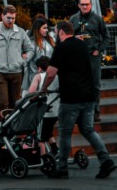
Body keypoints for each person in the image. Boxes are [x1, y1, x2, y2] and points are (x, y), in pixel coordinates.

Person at [41, 20, 116, 179]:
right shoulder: (82, 45)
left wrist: (43, 89)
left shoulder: (61, 47)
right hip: (88, 96)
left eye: (55, 31)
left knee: (65, 131)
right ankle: (106, 160)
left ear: (61, 32)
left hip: (71, 97)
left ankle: (62, 168)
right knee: (88, 129)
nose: (55, 34)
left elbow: (51, 72)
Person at [0, 5, 33, 121]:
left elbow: (30, 49)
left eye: (13, 18)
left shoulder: (20, 32)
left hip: (17, 71)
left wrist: (23, 61)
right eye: (8, 18)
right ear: (2, 16)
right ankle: (2, 128)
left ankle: (13, 127)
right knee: (2, 102)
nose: (11, 21)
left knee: (15, 102)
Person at [69, 0, 107, 121]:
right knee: (78, 85)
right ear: (78, 5)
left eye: (87, 4)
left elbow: (106, 37)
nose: (85, 7)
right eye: (82, 4)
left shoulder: (97, 19)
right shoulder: (73, 19)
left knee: (95, 85)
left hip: (93, 56)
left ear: (91, 5)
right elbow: (66, 37)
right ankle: (79, 114)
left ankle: (95, 112)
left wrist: (99, 50)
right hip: (77, 58)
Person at [26, 55, 58, 159]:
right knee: (47, 132)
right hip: (57, 110)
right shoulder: (56, 75)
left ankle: (43, 158)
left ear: (39, 68)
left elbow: (31, 92)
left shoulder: (38, 76)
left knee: (40, 137)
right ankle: (55, 150)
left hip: (44, 112)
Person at [24, 17, 55, 91]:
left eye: (47, 28)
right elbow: (26, 60)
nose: (47, 30)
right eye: (44, 28)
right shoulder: (30, 43)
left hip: (48, 75)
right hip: (34, 76)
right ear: (37, 29)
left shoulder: (49, 40)